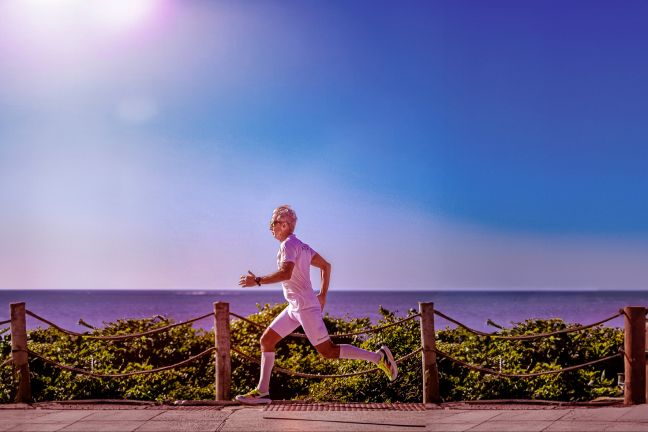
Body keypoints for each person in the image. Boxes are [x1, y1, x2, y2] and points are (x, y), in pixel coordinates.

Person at [235, 205, 398, 405]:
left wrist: (257, 280)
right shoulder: (301, 245)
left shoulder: (288, 245)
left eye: (273, 223)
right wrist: (322, 295)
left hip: (305, 307)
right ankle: (262, 392)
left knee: (327, 351)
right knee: (267, 341)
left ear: (285, 225)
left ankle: (378, 357)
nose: (270, 227)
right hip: (295, 307)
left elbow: (286, 273)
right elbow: (325, 266)